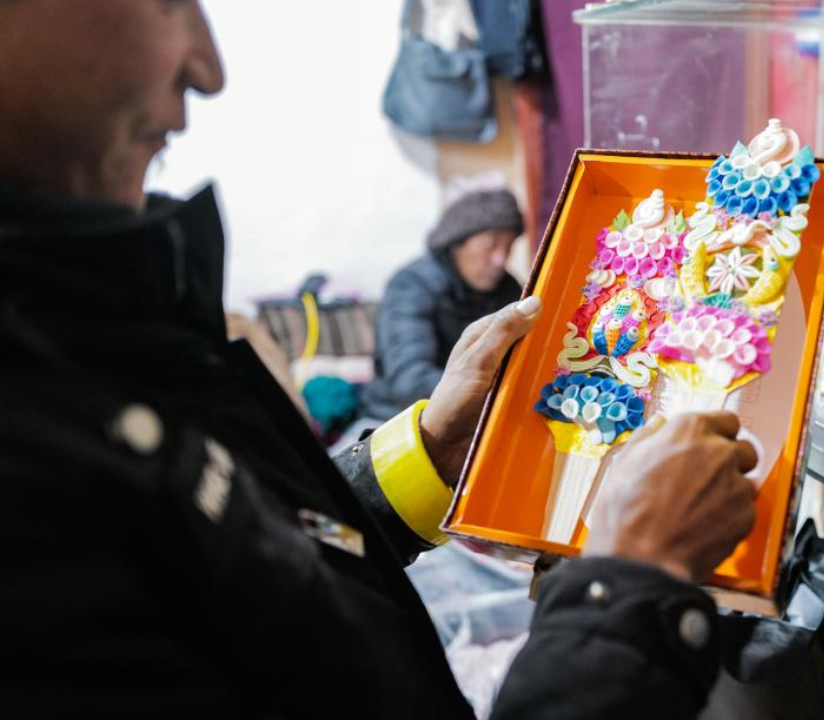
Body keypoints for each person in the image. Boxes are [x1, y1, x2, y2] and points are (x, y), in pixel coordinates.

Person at [0, 2, 758, 718]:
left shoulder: (84, 319)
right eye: (167, 3)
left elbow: (262, 581)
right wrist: (632, 581)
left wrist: (426, 450)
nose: (208, 67)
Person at [358, 189, 524, 421]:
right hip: (394, 419)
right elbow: (410, 380)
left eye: (508, 247)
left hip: (478, 414)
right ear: (457, 243)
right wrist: (493, 396)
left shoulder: (507, 288)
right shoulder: (411, 286)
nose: (500, 259)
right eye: (490, 245)